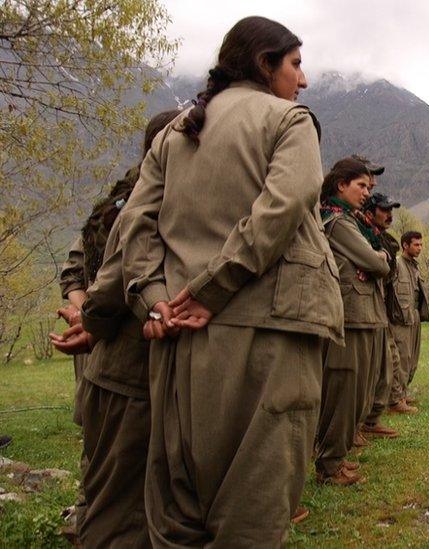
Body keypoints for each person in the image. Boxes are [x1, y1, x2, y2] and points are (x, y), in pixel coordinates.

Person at [120, 16, 342, 545]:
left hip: (177, 340)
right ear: (265, 64)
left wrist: (155, 303)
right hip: (266, 336)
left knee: (178, 513)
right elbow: (284, 206)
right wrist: (214, 289)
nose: (304, 79)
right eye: (295, 63)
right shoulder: (289, 121)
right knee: (254, 510)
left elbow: (136, 224)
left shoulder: (175, 133)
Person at [49, 109, 180, 547]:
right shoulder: (139, 205)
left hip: (121, 361)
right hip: (125, 367)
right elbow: (102, 275)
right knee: (117, 493)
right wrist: (87, 316)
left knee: (127, 482)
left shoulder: (138, 197)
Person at [314, 157, 390, 486]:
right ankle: (329, 464)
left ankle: (337, 459)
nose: (366, 193)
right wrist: (382, 258)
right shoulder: (337, 221)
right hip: (350, 316)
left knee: (358, 391)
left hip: (364, 314)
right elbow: (376, 262)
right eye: (361, 186)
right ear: (341, 184)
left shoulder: (350, 219)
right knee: (344, 391)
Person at [360, 192, 416, 433]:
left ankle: (373, 418)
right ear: (370, 212)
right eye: (385, 210)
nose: (390, 214)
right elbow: (379, 267)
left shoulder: (380, 238)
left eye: (391, 210)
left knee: (389, 361)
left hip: (381, 308)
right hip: (363, 308)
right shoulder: (358, 231)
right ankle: (361, 424)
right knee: (371, 366)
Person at [389, 230, 429, 410]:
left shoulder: (414, 266)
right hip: (399, 319)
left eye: (421, 244)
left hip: (414, 317)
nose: (419, 248)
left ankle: (402, 394)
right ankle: (395, 400)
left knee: (412, 358)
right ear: (405, 245)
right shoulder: (396, 264)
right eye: (416, 244)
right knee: (401, 358)